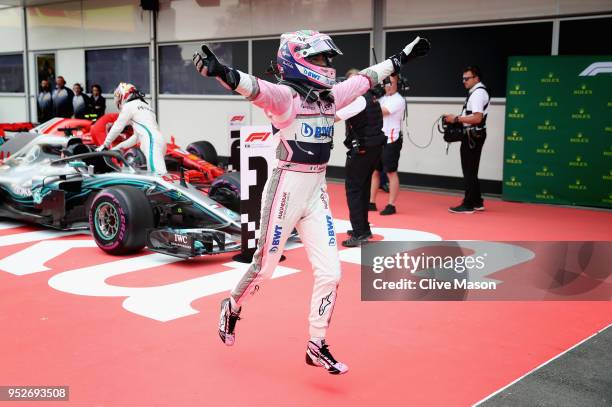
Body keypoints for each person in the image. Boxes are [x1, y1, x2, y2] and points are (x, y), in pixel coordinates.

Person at [193, 29, 430, 374]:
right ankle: (230, 306)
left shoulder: (331, 96)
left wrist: (404, 56)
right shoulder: (284, 96)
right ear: (297, 59)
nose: (327, 63)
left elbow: (366, 78)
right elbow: (254, 87)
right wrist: (222, 72)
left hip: (316, 192)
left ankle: (316, 344)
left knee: (331, 273)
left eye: (327, 57)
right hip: (285, 189)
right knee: (265, 268)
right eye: (319, 57)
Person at [334, 69, 386, 247]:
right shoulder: (370, 96)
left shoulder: (358, 100)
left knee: (354, 189)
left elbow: (335, 117)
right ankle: (363, 228)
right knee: (362, 188)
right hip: (375, 147)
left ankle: (359, 233)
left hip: (363, 149)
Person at [443, 66, 489, 213]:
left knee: (469, 170)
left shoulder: (477, 94)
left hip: (472, 136)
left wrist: (455, 118)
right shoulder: (478, 92)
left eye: (467, 78)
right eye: (463, 78)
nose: (464, 81)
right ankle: (477, 201)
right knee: (472, 170)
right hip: (475, 135)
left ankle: (468, 204)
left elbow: (477, 117)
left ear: (476, 78)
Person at [96, 82, 167, 175]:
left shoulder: (129, 106)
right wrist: (118, 147)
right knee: (155, 175)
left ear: (124, 94)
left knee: (159, 177)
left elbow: (117, 126)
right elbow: (136, 137)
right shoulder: (146, 106)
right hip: (160, 141)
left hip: (152, 143)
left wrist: (105, 145)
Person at [369, 73, 406, 215]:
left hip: (392, 139)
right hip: (379, 139)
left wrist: (369, 103)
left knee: (391, 172)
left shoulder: (399, 100)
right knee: (375, 171)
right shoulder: (382, 98)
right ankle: (371, 202)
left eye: (391, 82)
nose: (388, 85)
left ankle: (391, 204)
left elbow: (382, 112)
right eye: (386, 82)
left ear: (397, 83)